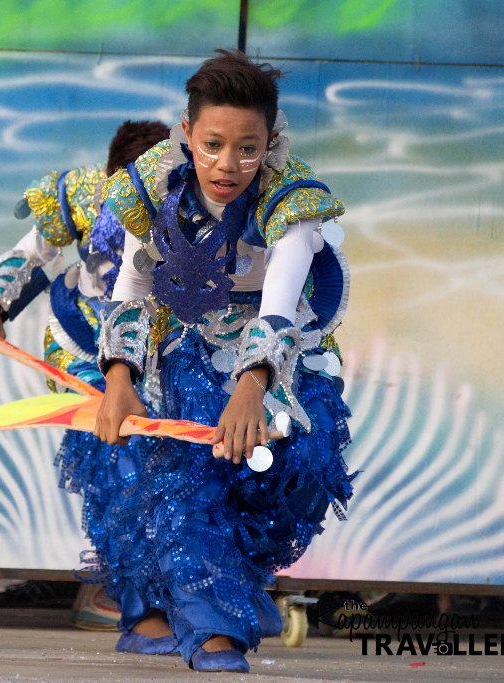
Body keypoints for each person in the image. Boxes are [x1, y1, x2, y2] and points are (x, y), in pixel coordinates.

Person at [91, 50, 353, 672]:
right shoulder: (149, 184)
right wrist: (120, 378)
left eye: (247, 148)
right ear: (187, 134)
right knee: (174, 475)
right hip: (180, 344)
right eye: (211, 144)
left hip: (282, 358)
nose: (227, 165)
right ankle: (207, 630)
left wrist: (253, 386)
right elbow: (131, 289)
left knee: (293, 477)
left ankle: (219, 598)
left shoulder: (293, 197)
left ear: (272, 139)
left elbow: (279, 308)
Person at [0, 121, 169, 617]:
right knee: (113, 452)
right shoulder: (82, 194)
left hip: (160, 344)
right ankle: (111, 587)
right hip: (85, 339)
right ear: (112, 180)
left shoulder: (194, 202)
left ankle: (170, 586)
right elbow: (33, 253)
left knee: (172, 464)